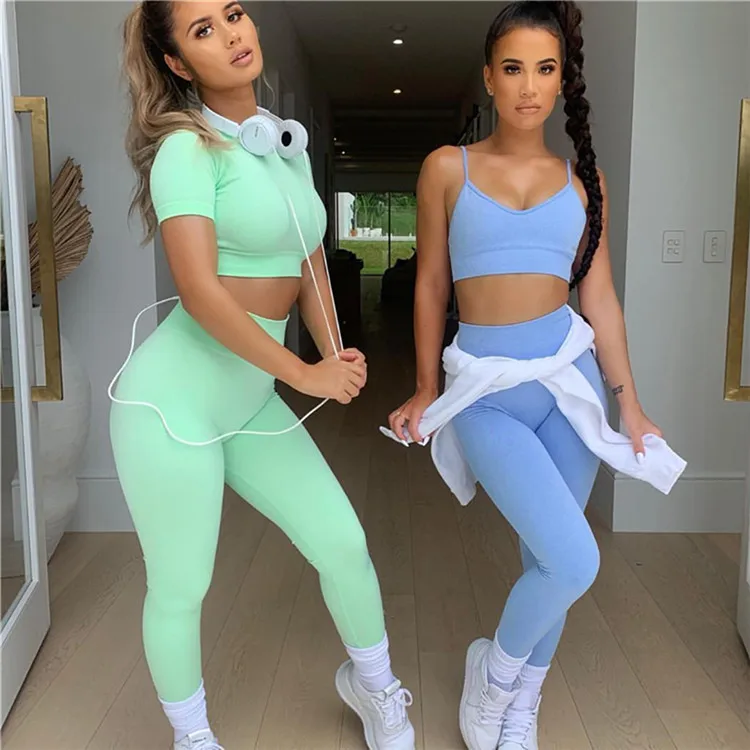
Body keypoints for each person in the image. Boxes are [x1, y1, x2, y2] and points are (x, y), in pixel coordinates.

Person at [113, 3, 415, 749]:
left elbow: (309, 259)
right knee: (182, 585)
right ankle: (193, 739)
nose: (232, 34)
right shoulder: (187, 151)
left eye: (234, 13)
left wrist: (335, 349)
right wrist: (303, 374)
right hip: (173, 403)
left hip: (248, 399)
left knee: (342, 542)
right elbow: (199, 292)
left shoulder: (284, 146)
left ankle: (376, 687)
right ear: (178, 64)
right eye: (203, 30)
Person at [386, 3, 685, 750]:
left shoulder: (585, 182)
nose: (528, 86)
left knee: (547, 558)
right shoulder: (446, 168)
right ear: (489, 78)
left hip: (566, 384)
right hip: (487, 391)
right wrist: (425, 387)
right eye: (513, 68)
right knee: (574, 558)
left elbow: (599, 298)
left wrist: (630, 405)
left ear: (560, 82)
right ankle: (492, 675)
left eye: (545, 70)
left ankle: (521, 703)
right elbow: (430, 284)